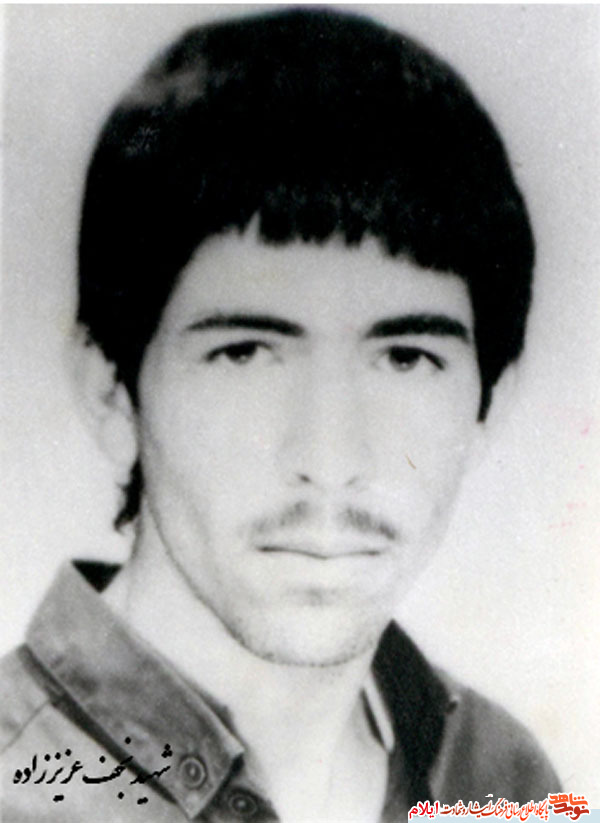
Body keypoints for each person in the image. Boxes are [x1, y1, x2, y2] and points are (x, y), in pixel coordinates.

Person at [0, 7, 560, 821]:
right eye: (246, 353)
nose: (331, 459)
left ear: (486, 406)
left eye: (406, 357)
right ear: (111, 390)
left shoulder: (503, 780)